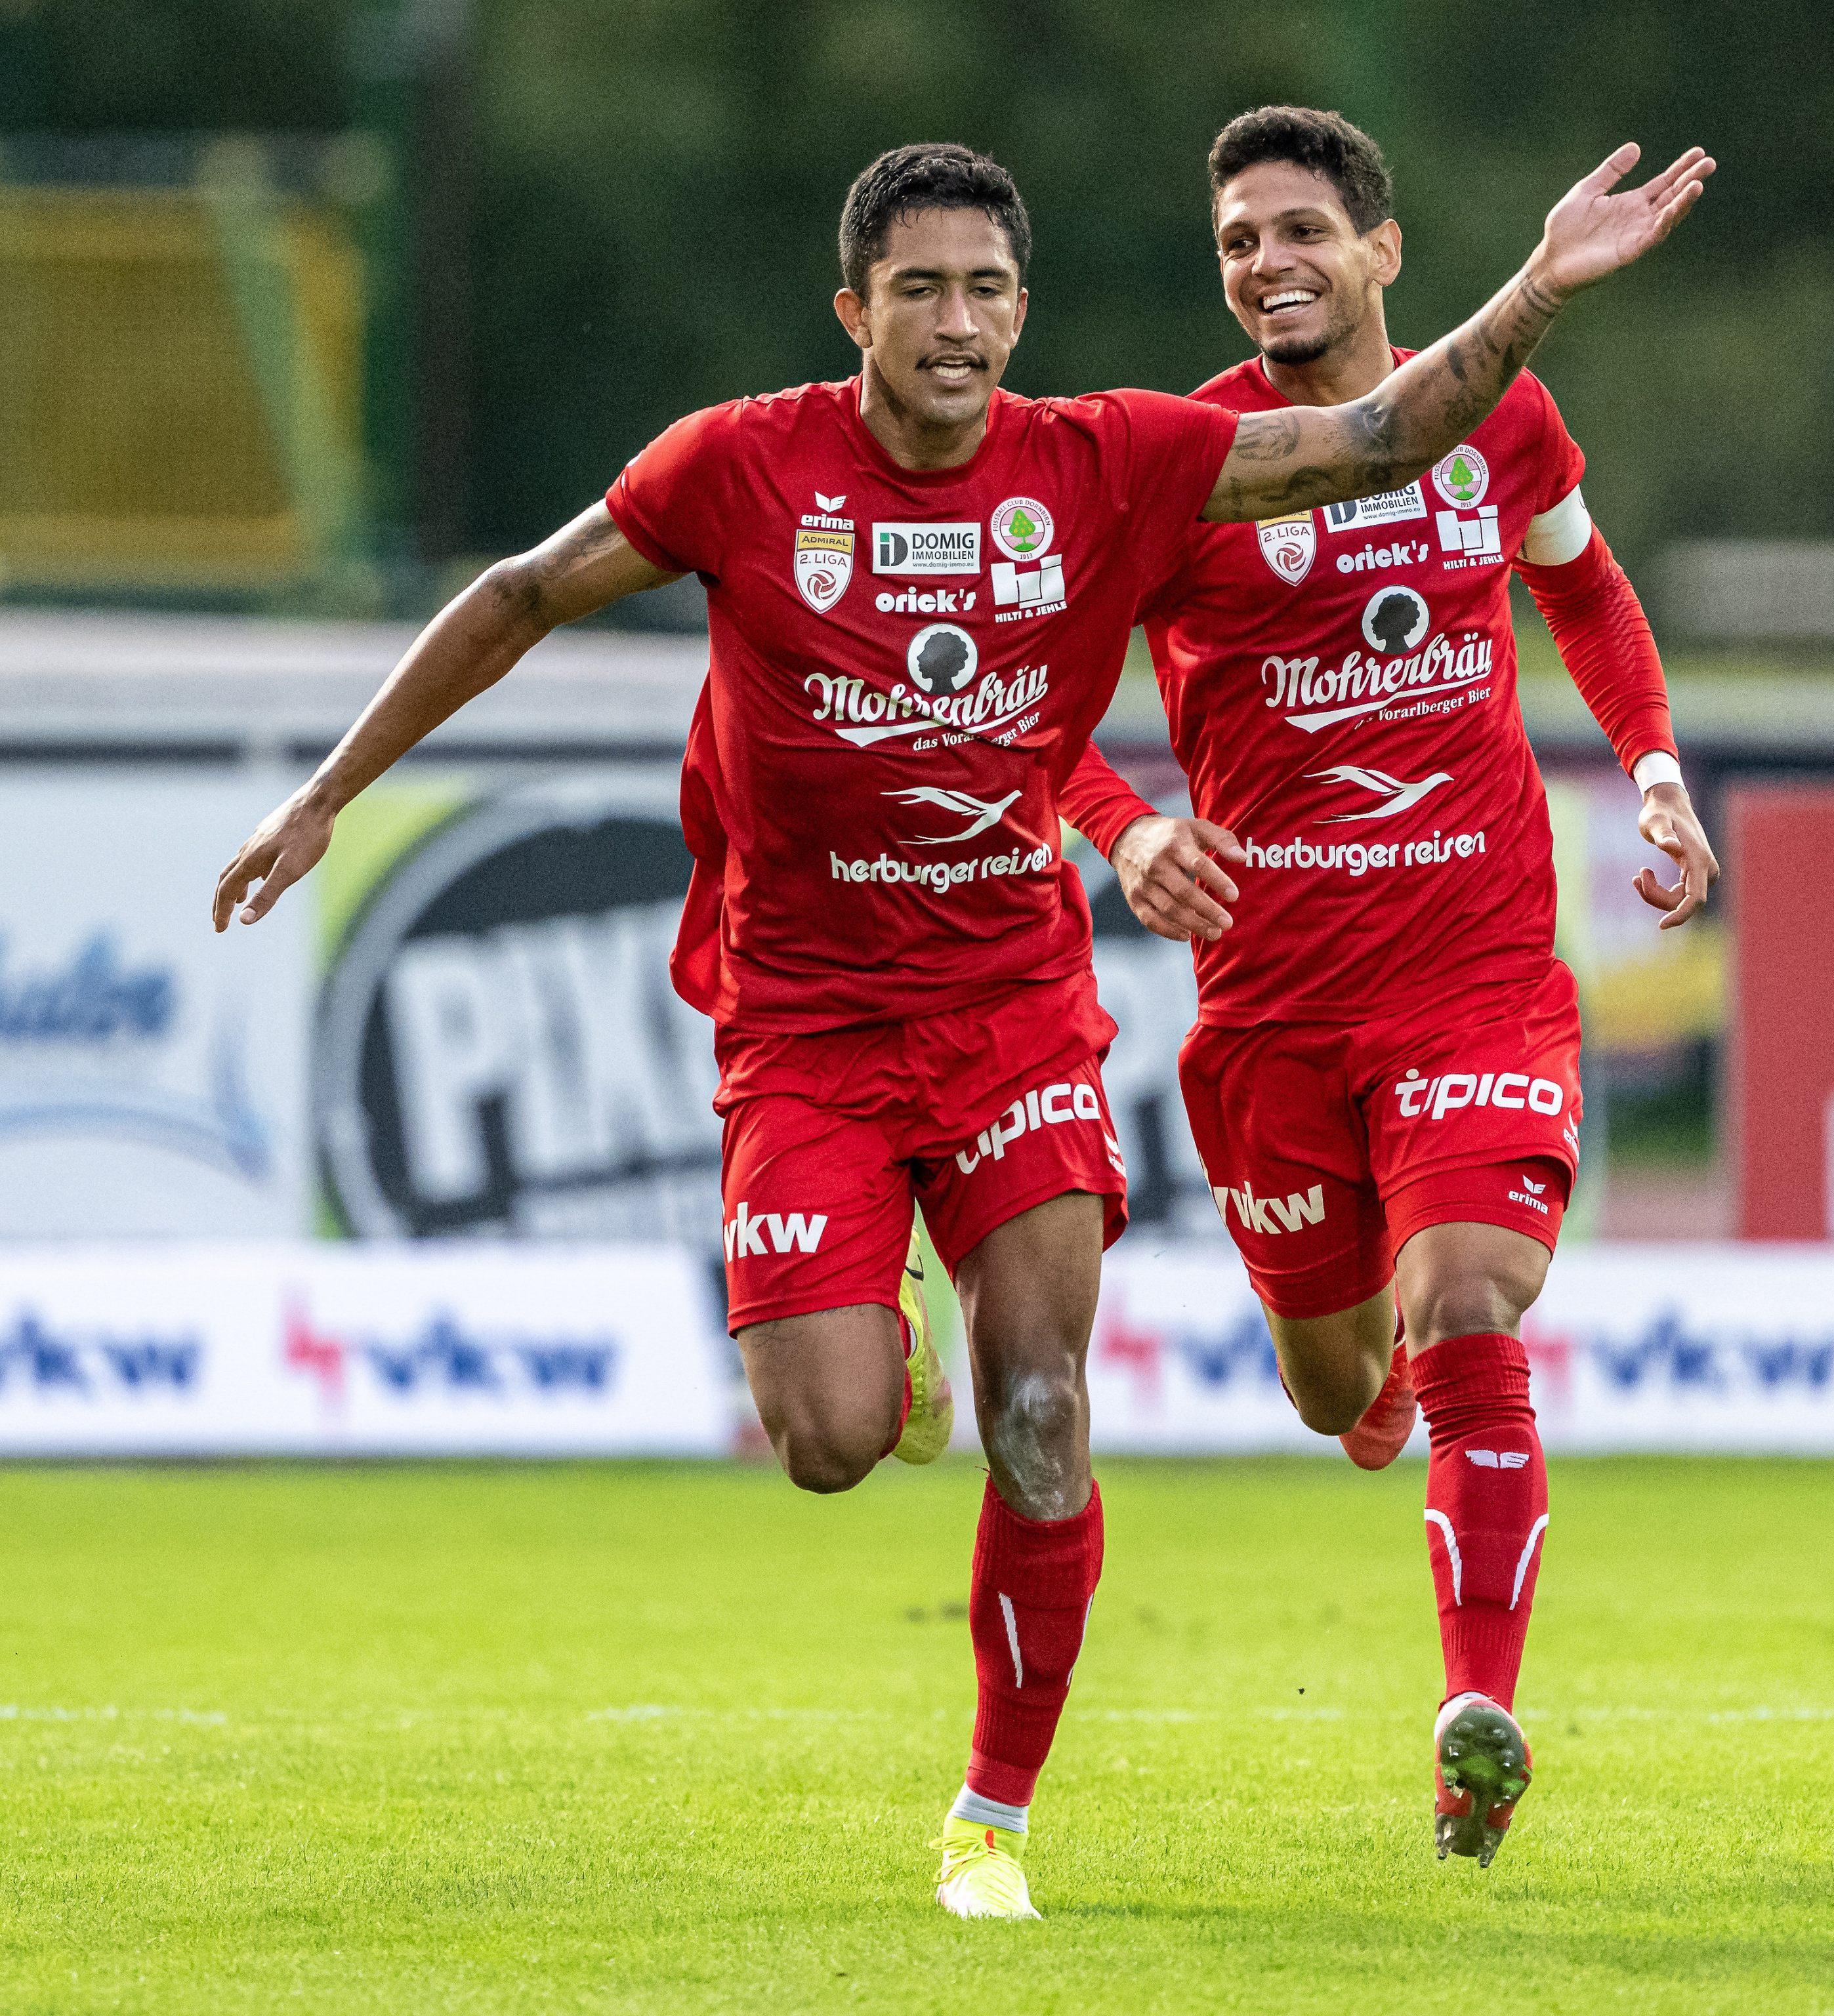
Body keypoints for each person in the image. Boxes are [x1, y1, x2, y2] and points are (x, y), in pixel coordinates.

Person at [213, 134, 1711, 1916]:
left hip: (1036, 1011)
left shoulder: (1105, 461)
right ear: (851, 308)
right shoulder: (743, 467)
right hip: (825, 1025)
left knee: (1054, 1405)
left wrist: (1540, 292)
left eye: (985, 288)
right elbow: (521, 595)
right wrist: (326, 788)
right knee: (845, 1435)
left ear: (1024, 310)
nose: (954, 319)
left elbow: (1388, 439)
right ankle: (896, 1349)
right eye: (916, 287)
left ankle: (994, 1814)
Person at [1060, 108, 1720, 1871]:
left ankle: (1468, 1718)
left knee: (1468, 1303)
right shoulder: (1178, 459)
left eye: (1295, 230)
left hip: (1473, 974)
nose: (1264, 260)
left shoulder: (1496, 415)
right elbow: (1037, 708)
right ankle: (1365, 1397)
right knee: (1331, 1375)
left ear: (1381, 252)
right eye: (1235, 242)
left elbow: (1582, 589)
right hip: (1274, 1008)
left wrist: (1650, 765)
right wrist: (1125, 834)